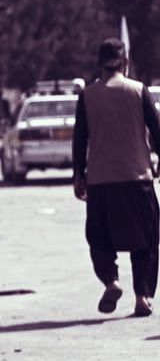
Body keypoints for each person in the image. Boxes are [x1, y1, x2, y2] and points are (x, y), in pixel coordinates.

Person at [72, 38, 160, 318]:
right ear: (124, 62)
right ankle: (142, 297)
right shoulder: (138, 91)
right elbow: (157, 131)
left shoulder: (87, 96)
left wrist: (78, 175)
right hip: (137, 178)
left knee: (99, 238)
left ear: (99, 63)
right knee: (146, 240)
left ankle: (111, 281)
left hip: (100, 181)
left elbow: (79, 139)